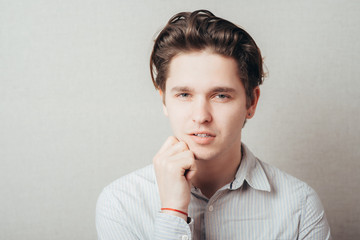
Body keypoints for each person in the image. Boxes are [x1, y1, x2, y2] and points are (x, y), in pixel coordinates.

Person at [96, 10, 331, 239]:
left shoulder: (300, 206)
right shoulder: (121, 203)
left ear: (251, 102)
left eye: (220, 96)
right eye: (184, 95)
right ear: (164, 100)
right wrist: (173, 212)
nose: (201, 116)